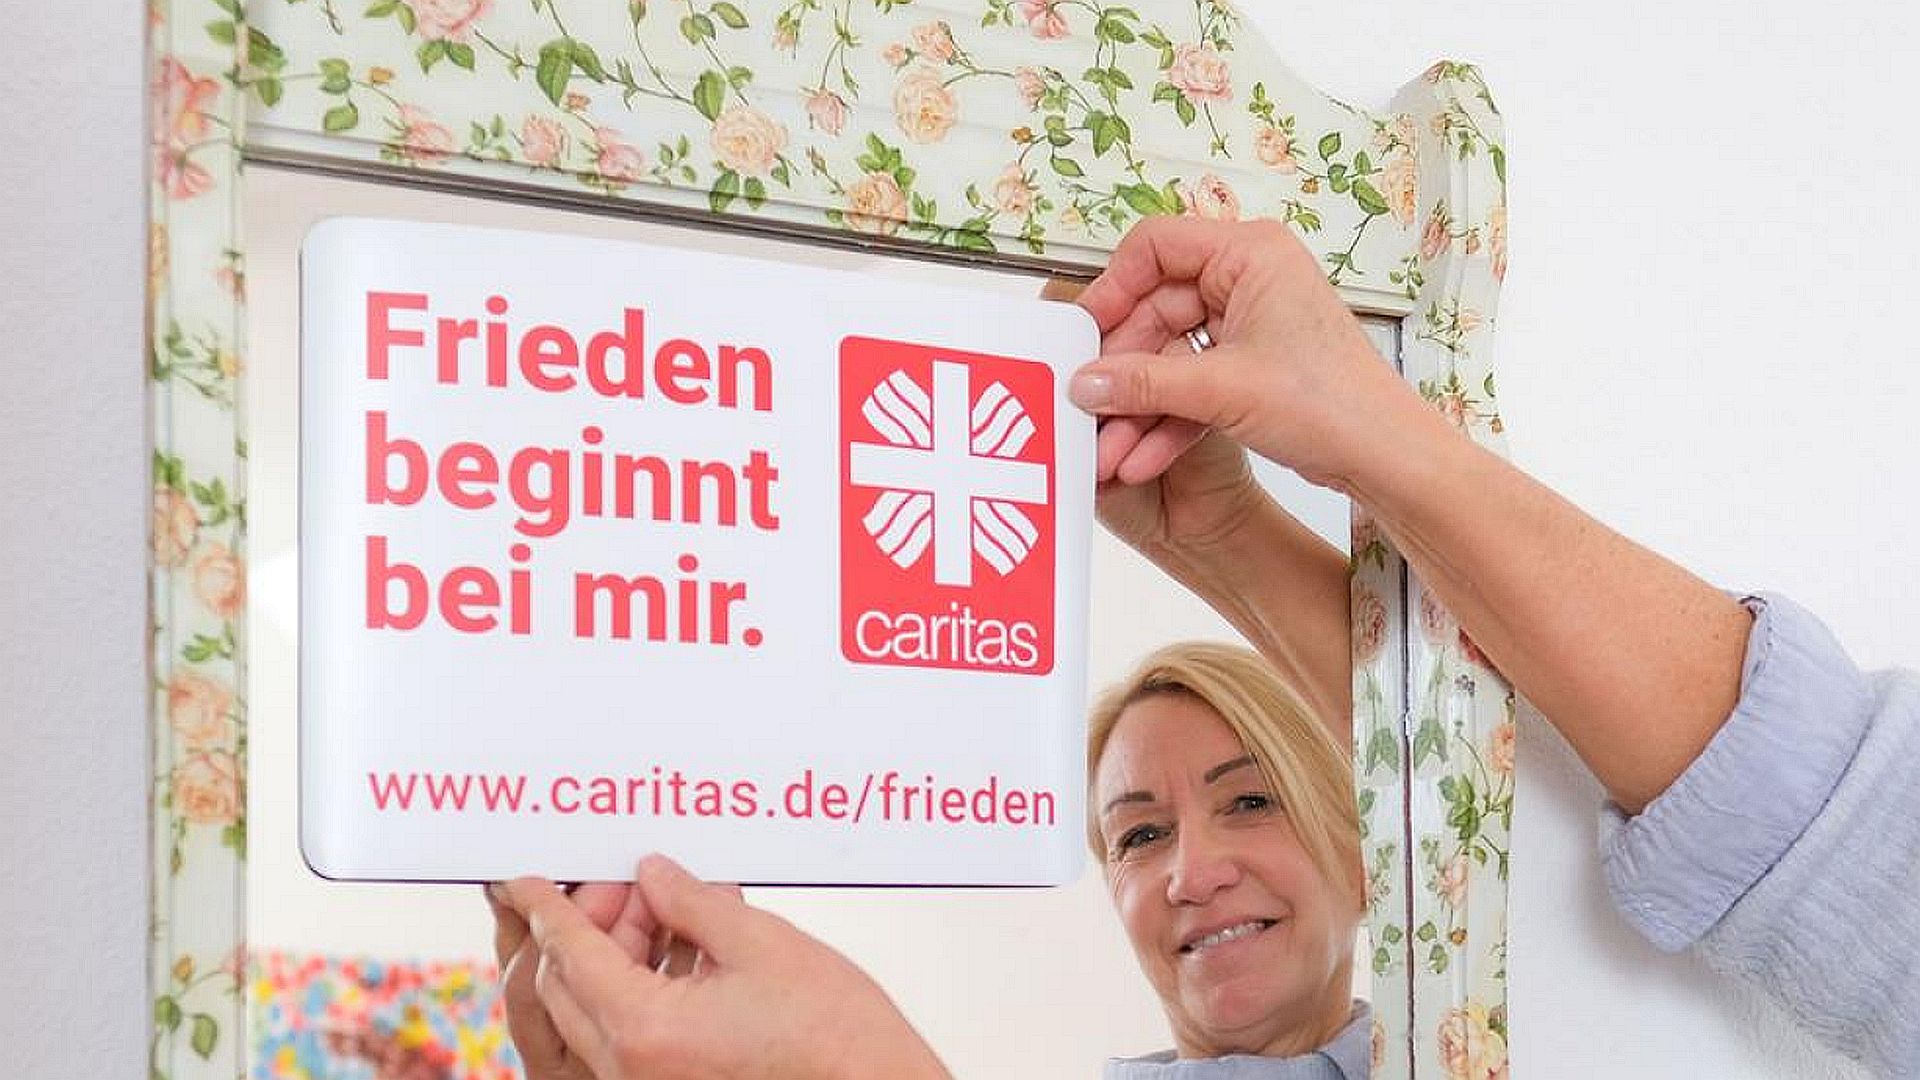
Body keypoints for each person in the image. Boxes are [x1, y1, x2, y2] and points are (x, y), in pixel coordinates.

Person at [492, 215, 1920, 1077]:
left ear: (1364, 838)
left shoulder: (1531, 1017)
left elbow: (1808, 839)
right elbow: (1836, 829)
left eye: (1249, 799)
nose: (1190, 870)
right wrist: (1235, 523)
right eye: (1133, 833)